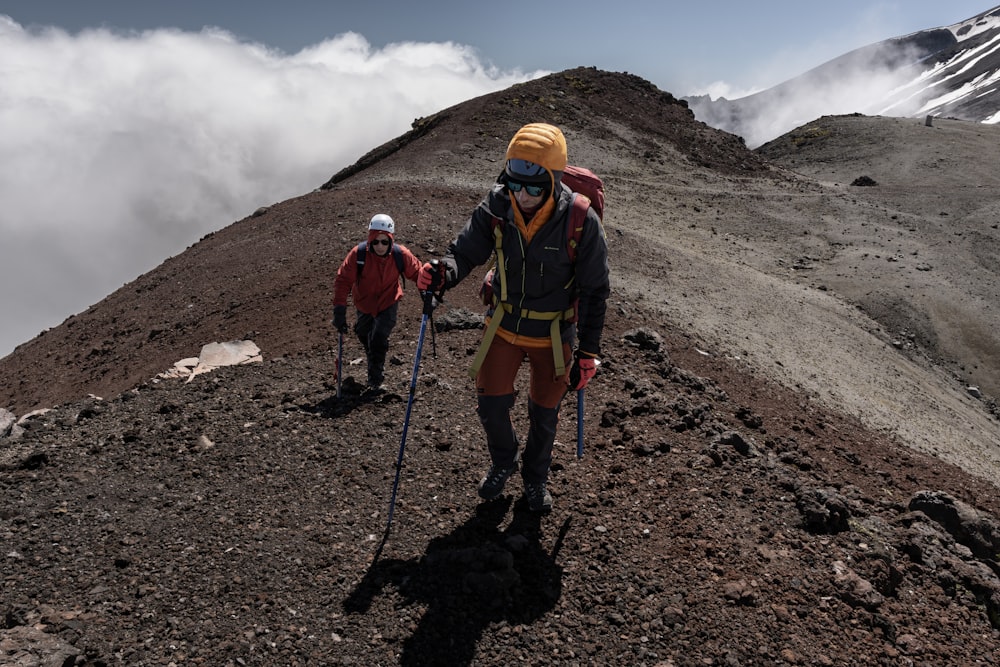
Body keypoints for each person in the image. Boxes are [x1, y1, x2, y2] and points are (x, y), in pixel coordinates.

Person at [418, 122, 610, 513]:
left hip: (554, 335)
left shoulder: (581, 221)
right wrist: (443, 271)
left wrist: (588, 352)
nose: (522, 195)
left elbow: (594, 291)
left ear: (554, 182)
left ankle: (535, 479)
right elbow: (465, 252)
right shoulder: (498, 205)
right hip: (503, 326)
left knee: (544, 413)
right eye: (514, 184)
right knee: (490, 405)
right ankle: (503, 461)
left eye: (534, 187)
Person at [333, 214, 423, 390]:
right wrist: (339, 311)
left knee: (379, 337)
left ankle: (375, 379)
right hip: (364, 303)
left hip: (389, 301)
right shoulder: (358, 255)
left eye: (384, 242)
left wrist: (429, 293)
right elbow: (343, 281)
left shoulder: (400, 255)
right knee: (363, 333)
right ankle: (373, 358)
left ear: (391, 241)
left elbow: (418, 274)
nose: (380, 246)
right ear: (370, 240)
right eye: (375, 241)